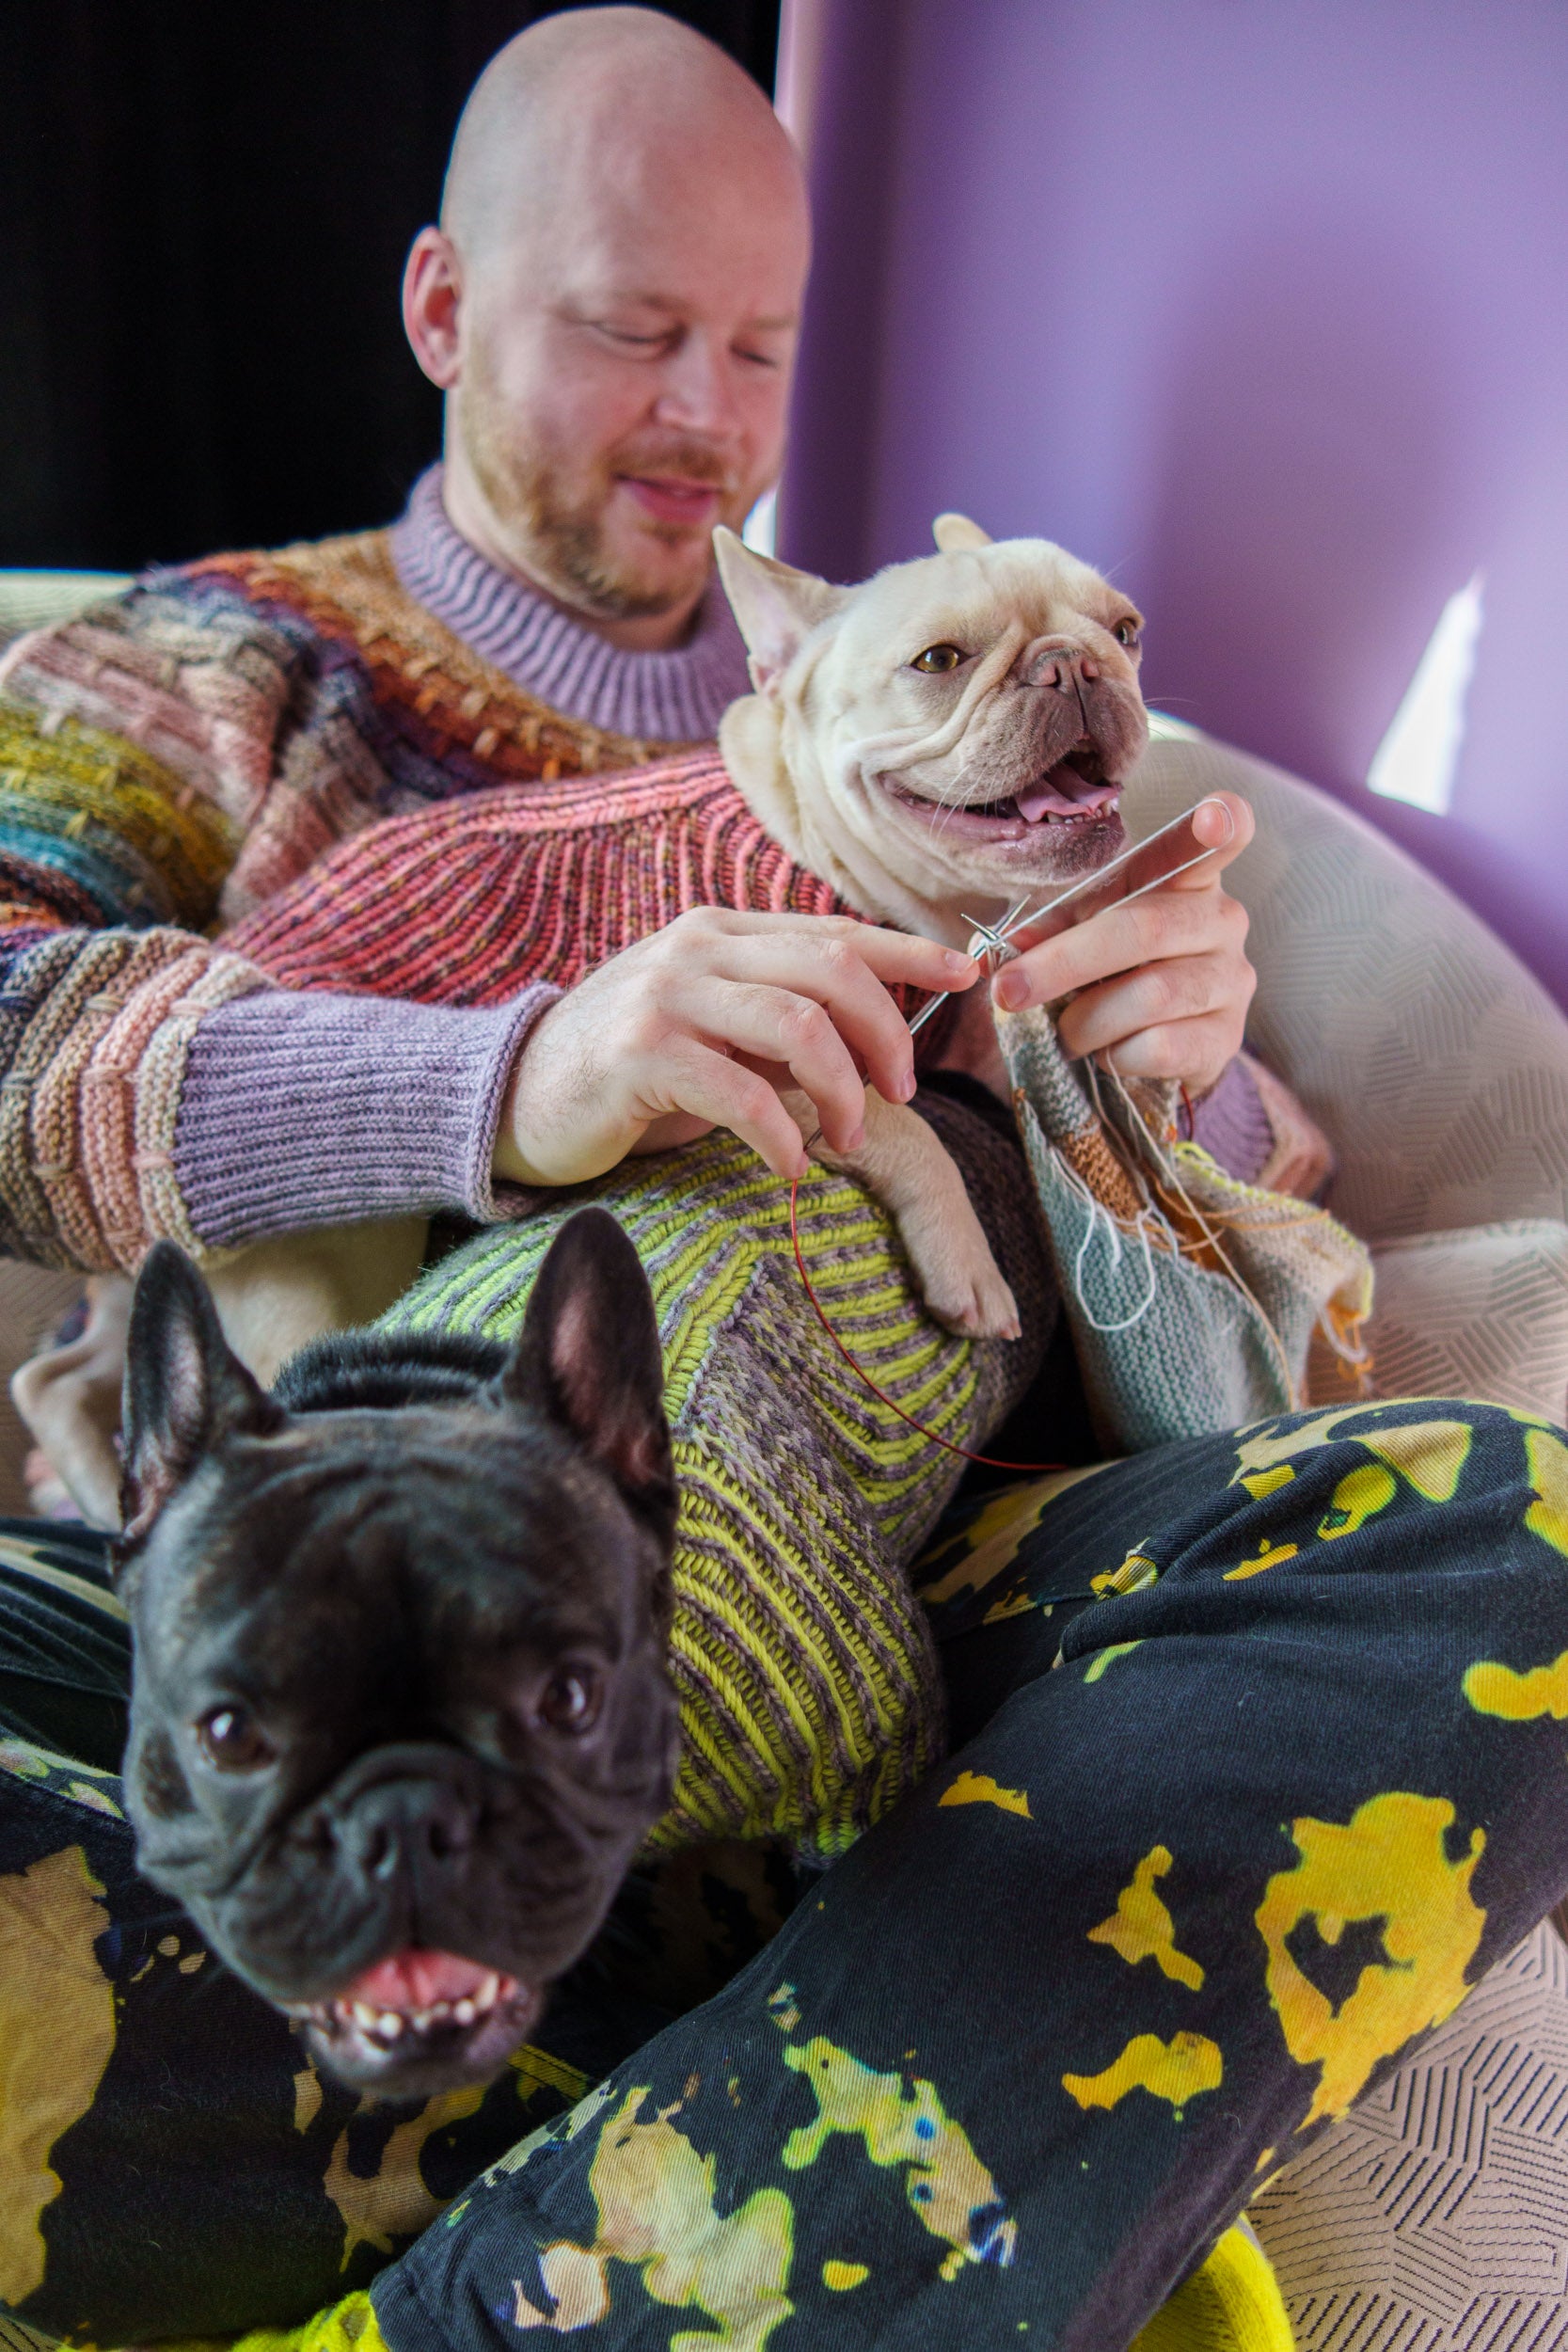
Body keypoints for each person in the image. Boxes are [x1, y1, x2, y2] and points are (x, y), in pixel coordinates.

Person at [3, 13, 1561, 2352]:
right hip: (314, 1595)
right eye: (630, 327)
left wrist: (1175, 1086)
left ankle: (523, 2135)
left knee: (1506, 1543)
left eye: (760, 344)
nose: (706, 415)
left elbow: (1254, 1256)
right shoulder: (210, 665)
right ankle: (816, 2135)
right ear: (442, 305)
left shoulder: (964, 726)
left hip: (932, 1569)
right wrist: (505, 1073)